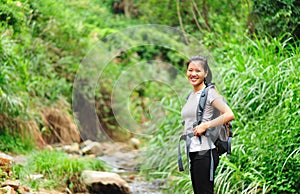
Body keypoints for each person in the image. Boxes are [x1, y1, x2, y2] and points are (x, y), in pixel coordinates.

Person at [181, 56, 235, 194]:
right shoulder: (191, 95)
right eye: (190, 70)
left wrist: (206, 125)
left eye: (197, 71)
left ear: (205, 73)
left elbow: (229, 114)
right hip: (194, 151)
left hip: (206, 151)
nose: (193, 74)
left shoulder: (210, 93)